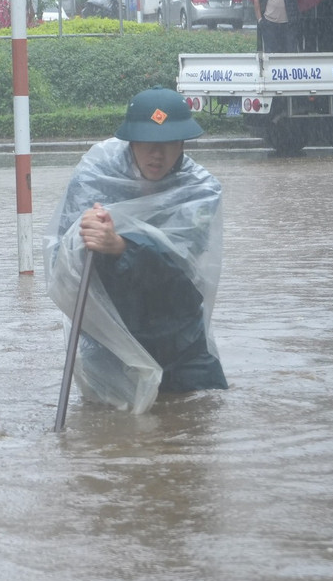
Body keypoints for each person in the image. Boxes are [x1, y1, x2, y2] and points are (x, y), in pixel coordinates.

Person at [44, 87, 227, 413]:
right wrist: (81, 236)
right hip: (111, 336)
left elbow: (181, 268)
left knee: (202, 413)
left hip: (178, 334)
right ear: (131, 142)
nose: (157, 154)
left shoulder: (199, 191)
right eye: (147, 143)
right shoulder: (94, 179)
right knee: (108, 424)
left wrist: (121, 246)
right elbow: (62, 263)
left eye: (169, 143)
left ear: (182, 144)